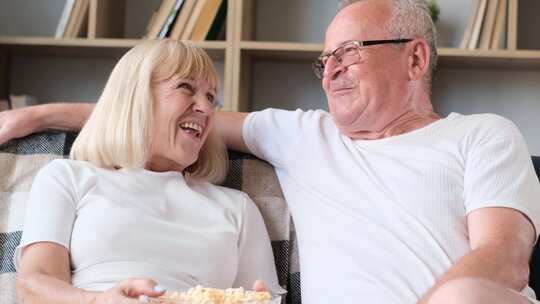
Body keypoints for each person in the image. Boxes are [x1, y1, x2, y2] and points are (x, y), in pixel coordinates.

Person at [1, 0, 539, 303]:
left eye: (349, 53)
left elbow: (504, 260)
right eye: (325, 60)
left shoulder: (483, 134)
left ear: (416, 59)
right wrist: (36, 115)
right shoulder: (304, 136)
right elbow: (148, 117)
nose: (331, 71)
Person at [13, 39, 283, 303]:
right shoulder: (67, 177)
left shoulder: (238, 208)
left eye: (211, 97)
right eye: (186, 88)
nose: (206, 108)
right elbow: (34, 285)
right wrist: (98, 301)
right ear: (135, 97)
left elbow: (264, 298)